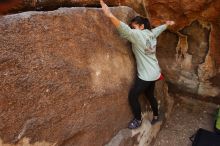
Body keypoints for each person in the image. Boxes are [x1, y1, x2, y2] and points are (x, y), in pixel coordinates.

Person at [100, 0, 175, 129]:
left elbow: (125, 31)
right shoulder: (151, 34)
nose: (132, 28)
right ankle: (156, 116)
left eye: (134, 26)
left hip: (146, 75)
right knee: (149, 95)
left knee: (132, 96)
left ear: (141, 27)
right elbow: (158, 30)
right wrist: (167, 25)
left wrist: (110, 15)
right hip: (155, 73)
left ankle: (138, 120)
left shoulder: (138, 35)